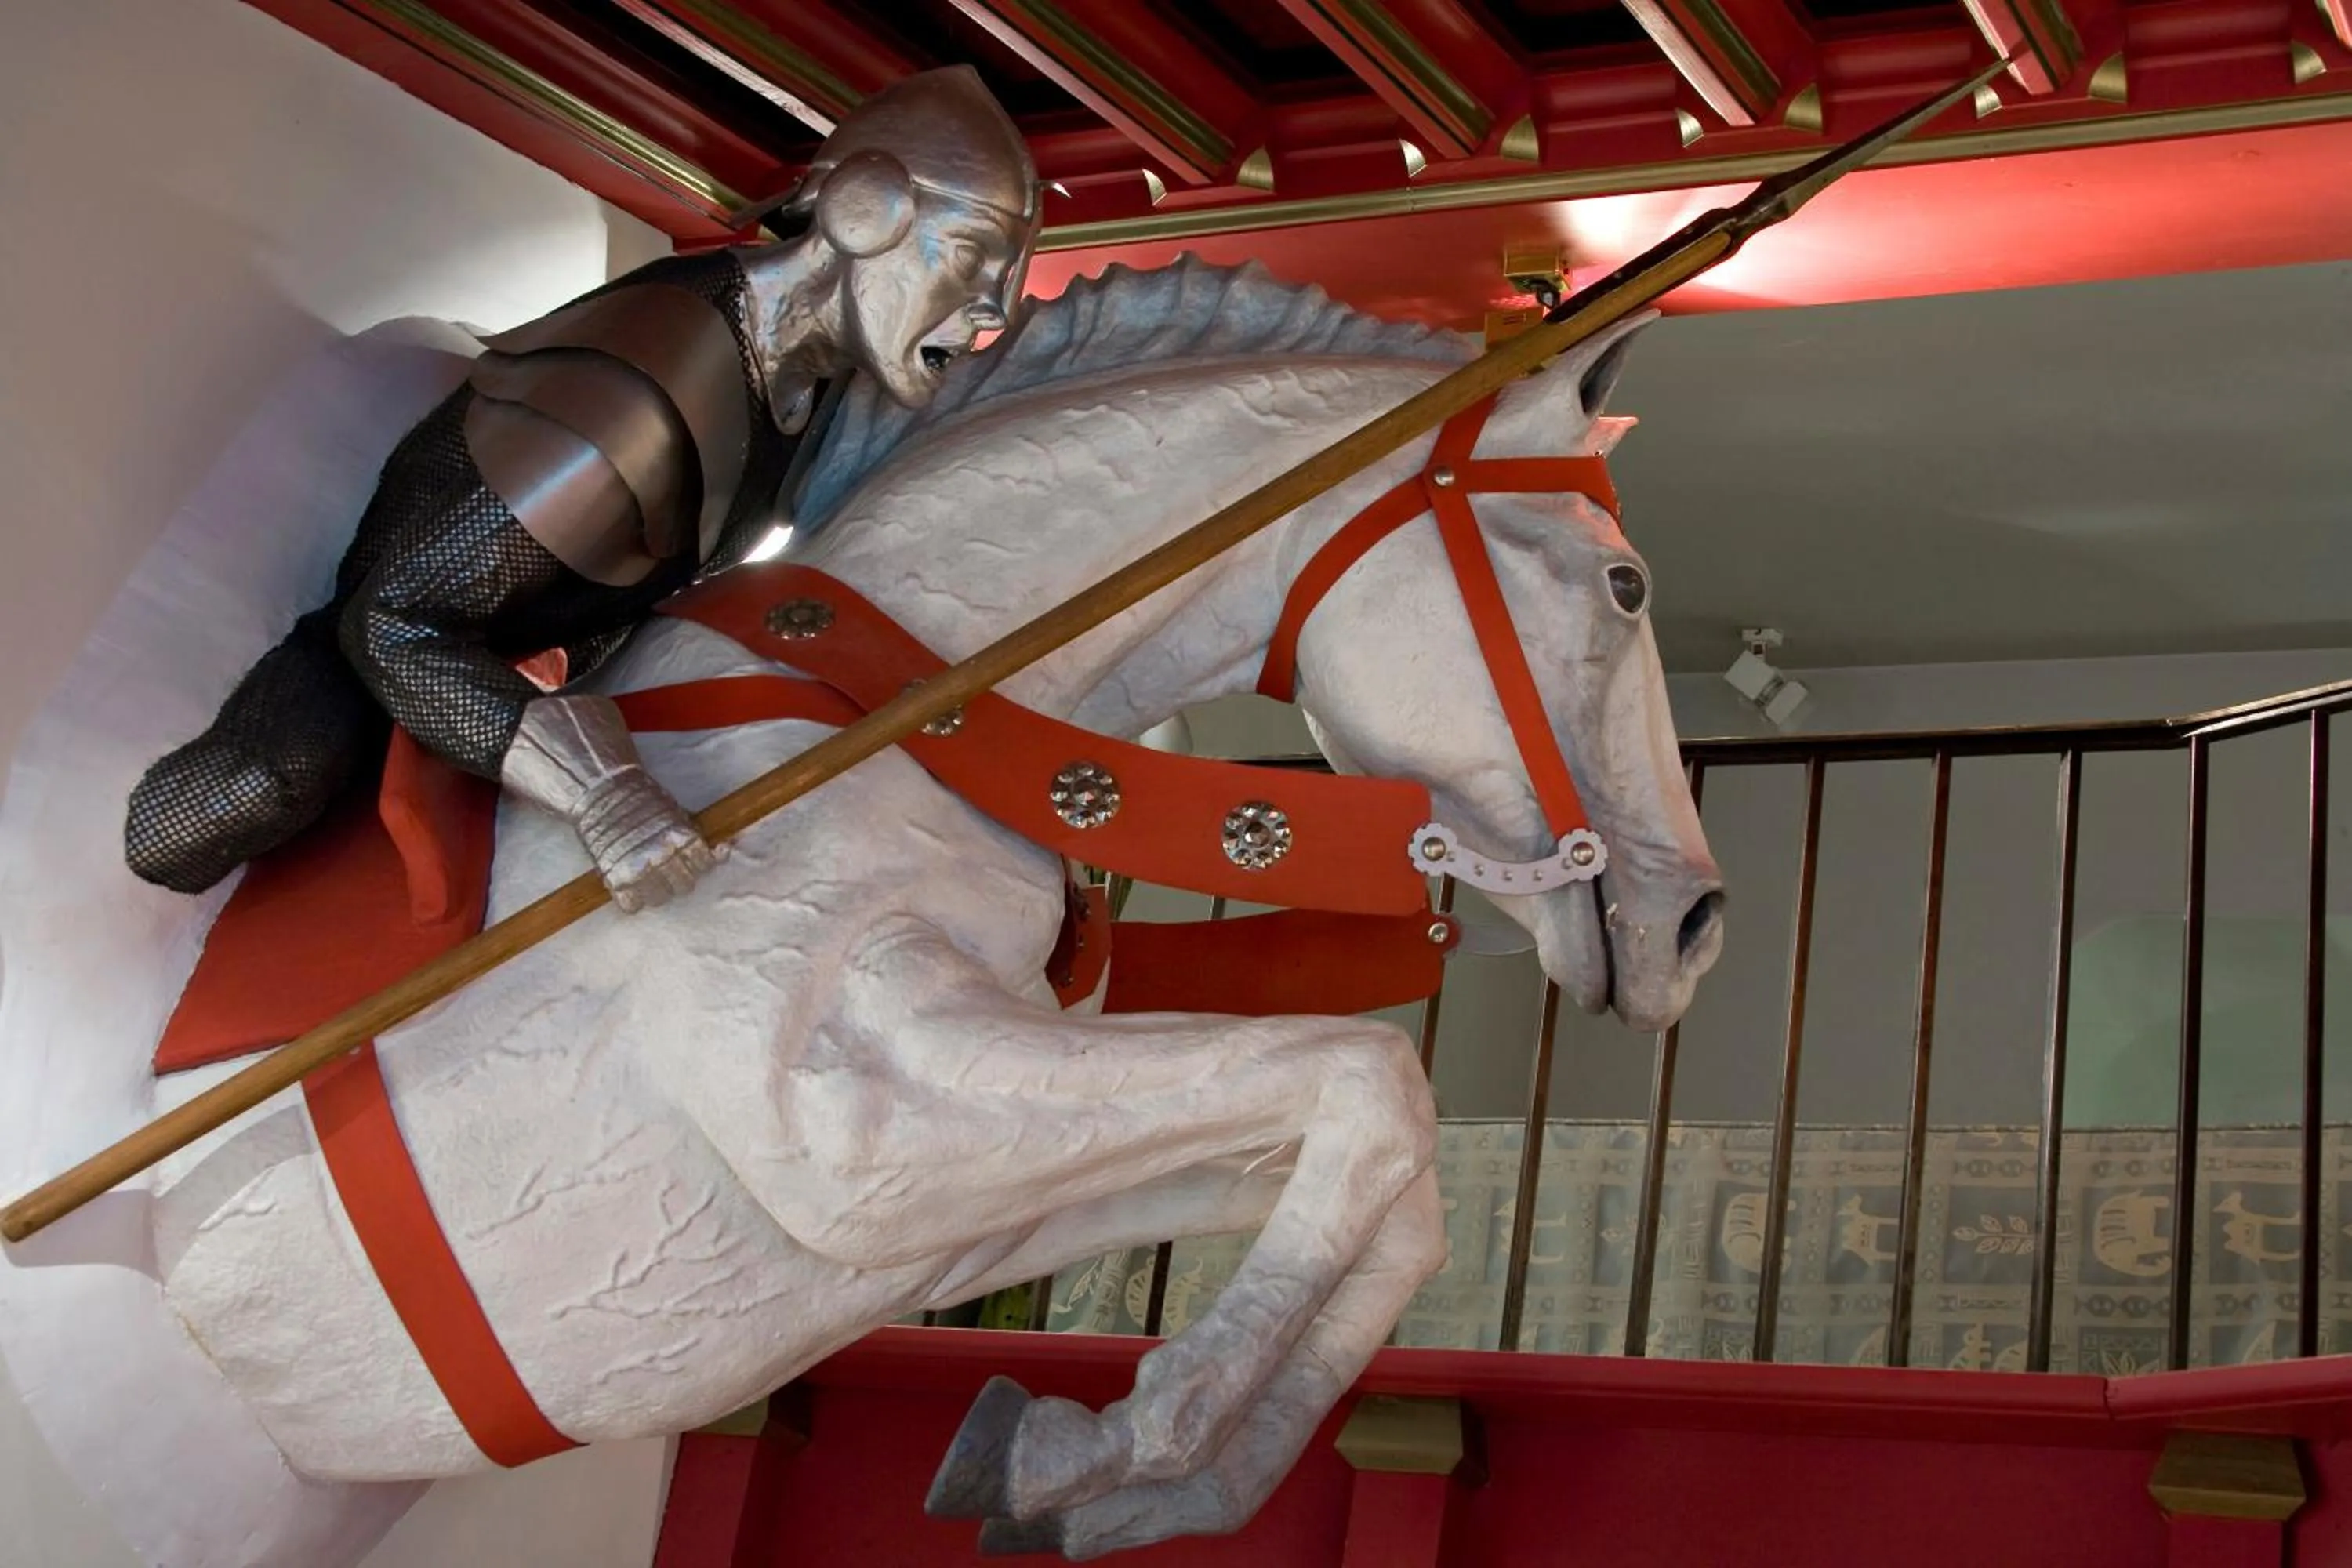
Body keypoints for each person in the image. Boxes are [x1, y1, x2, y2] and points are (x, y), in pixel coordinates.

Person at [125, 66, 1040, 912]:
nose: (994, 308)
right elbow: (394, 621)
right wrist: (600, 792)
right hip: (395, 657)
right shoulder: (637, 390)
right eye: (971, 257)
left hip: (562, 659)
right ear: (861, 209)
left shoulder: (819, 382)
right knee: (230, 802)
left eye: (1007, 280)